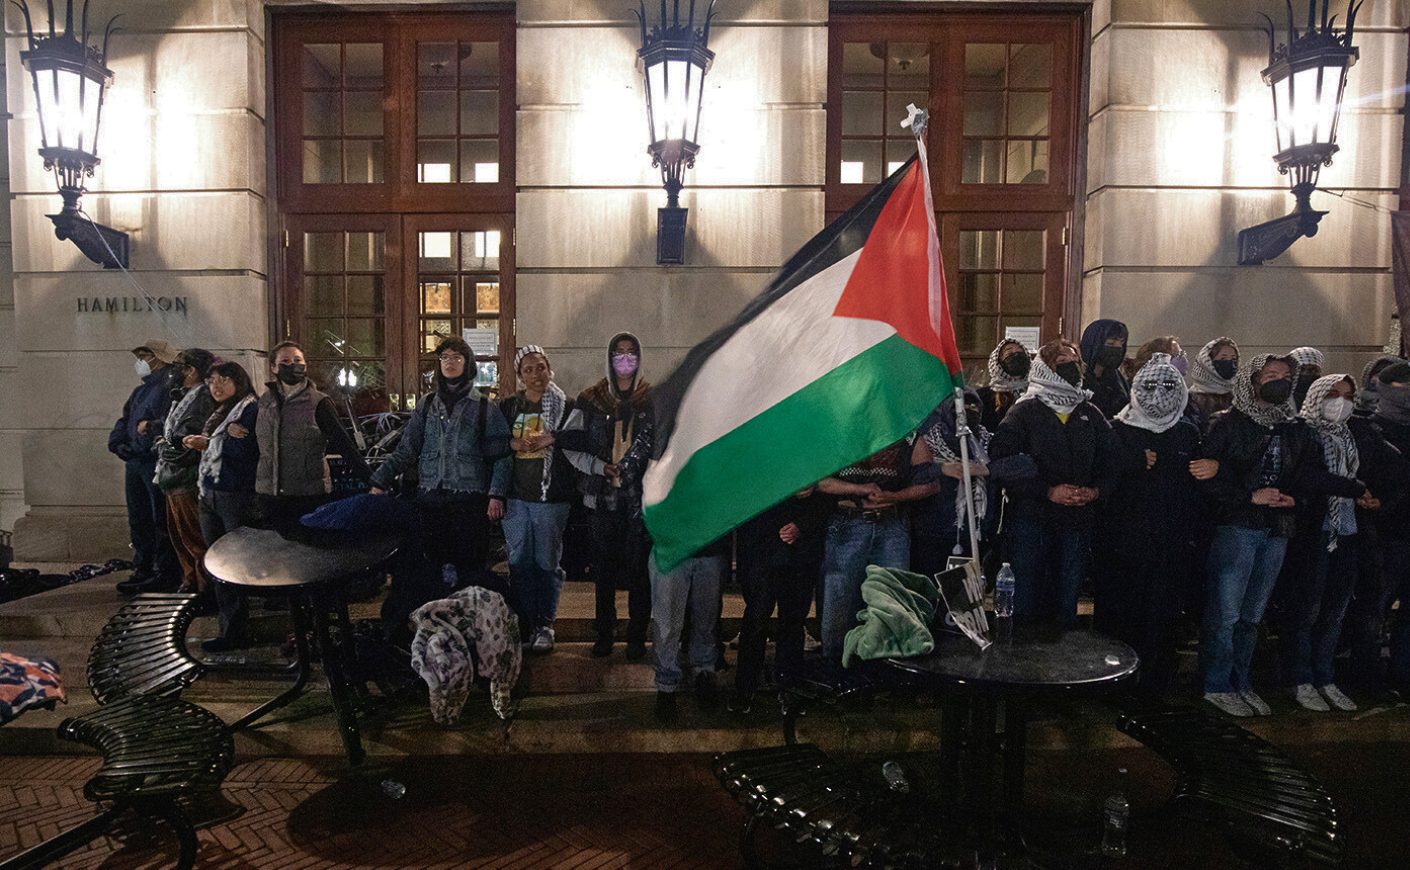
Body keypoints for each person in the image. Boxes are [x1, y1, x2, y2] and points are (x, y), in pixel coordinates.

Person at [1198, 355, 1366, 717]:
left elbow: (1307, 475)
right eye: (1271, 375)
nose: (1280, 381)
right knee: (1225, 614)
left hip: (1278, 528)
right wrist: (1249, 496)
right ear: (1253, 379)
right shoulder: (1227, 424)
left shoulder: (1294, 429)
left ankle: (1241, 682)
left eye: (1285, 376)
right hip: (1239, 526)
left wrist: (1296, 499)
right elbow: (1207, 476)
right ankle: (1216, 684)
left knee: (1252, 616)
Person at [1095, 354, 1215, 696]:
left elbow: (1195, 489)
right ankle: (1113, 687)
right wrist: (1127, 462)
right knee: (1119, 619)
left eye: (1168, 386)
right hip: (1122, 546)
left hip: (1171, 545)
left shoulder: (1188, 432)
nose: (1159, 393)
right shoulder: (1116, 429)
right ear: (1135, 388)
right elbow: (1101, 478)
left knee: (1162, 619)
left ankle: (1153, 687)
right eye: (1149, 385)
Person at [1279, 374, 1392, 711]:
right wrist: (1355, 489)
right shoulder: (1301, 431)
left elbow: (1387, 468)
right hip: (1314, 533)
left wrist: (1375, 497)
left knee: (1334, 613)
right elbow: (1309, 477)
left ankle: (1324, 677)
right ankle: (1299, 679)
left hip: (1348, 532)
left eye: (1347, 395)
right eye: (1332, 394)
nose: (1340, 401)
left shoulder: (1353, 433)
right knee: (1306, 612)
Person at [989, 340, 1119, 627]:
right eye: (1062, 360)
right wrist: (1047, 491)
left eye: (1075, 360)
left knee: (1066, 604)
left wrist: (1096, 491)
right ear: (1046, 367)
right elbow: (1002, 462)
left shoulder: (1089, 411)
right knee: (1025, 602)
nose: (1071, 365)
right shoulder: (1024, 411)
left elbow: (1112, 459)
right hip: (1030, 523)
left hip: (1075, 523)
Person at [369, 337, 512, 581]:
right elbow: (407, 449)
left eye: (457, 357)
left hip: (470, 501)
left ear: (468, 364)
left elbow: (502, 454)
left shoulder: (485, 406)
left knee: (471, 571)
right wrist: (380, 479)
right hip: (431, 500)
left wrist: (496, 494)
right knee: (432, 570)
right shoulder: (426, 404)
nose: (450, 362)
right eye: (444, 357)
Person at [559, 333, 655, 660]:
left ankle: (636, 637)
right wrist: (600, 467)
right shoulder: (590, 399)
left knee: (639, 572)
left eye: (631, 353)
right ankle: (604, 633)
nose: (625, 359)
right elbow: (570, 446)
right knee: (603, 571)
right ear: (609, 357)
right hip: (600, 500)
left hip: (638, 499)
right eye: (618, 353)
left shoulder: (651, 399)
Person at [489, 346, 580, 654]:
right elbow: (493, 447)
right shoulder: (509, 407)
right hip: (516, 499)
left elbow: (583, 437)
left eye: (540, 367)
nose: (535, 375)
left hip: (551, 499)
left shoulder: (566, 406)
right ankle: (524, 623)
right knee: (519, 564)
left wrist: (553, 437)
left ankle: (544, 625)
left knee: (546, 564)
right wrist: (512, 443)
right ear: (520, 376)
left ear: (548, 368)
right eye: (528, 370)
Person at [817, 436, 939, 659]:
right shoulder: (841, 429)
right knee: (839, 604)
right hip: (848, 522)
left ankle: (883, 673)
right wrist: (860, 489)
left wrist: (894, 496)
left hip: (891, 524)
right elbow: (818, 480)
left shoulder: (909, 435)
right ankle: (837, 673)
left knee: (890, 603)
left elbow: (930, 483)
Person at [730, 486, 827, 714]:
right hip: (762, 546)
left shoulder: (807, 453)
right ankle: (745, 688)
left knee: (792, 622)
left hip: (800, 551)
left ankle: (788, 687)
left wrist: (802, 525)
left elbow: (824, 497)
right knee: (756, 619)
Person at [255, 341, 371, 531]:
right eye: (285, 361)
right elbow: (256, 440)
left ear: (305, 366)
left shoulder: (319, 402)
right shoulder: (265, 401)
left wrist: (372, 481)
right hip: (269, 496)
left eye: (297, 360)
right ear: (274, 368)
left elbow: (344, 445)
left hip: (308, 496)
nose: (292, 365)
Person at [184, 362, 260, 652]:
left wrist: (215, 441)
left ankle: (237, 630)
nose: (215, 385)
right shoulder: (220, 413)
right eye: (211, 380)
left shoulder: (249, 410)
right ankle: (229, 627)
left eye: (223, 380)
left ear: (238, 382)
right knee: (217, 563)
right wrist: (216, 437)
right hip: (210, 493)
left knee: (235, 564)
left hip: (235, 495)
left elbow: (247, 449)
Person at [112, 340, 180, 595]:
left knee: (159, 519)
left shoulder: (169, 388)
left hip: (153, 460)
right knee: (139, 518)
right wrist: (118, 443)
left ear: (159, 359)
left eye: (144, 356)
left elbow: (169, 422)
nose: (139, 361)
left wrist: (147, 436)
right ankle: (144, 567)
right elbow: (125, 419)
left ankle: (162, 570)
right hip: (135, 461)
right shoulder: (140, 391)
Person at [153, 348, 217, 601]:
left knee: (194, 538)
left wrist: (173, 449)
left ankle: (205, 589)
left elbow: (193, 438)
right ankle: (190, 581)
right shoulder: (182, 395)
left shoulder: (202, 397)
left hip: (187, 477)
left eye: (178, 365)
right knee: (180, 537)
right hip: (173, 476)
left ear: (191, 370)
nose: (172, 370)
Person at [911, 390, 992, 578]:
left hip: (974, 536)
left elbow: (1019, 467)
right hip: (933, 535)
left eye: (973, 407)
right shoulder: (929, 441)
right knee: (932, 597)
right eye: (960, 407)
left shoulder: (987, 442)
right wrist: (941, 469)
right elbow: (914, 479)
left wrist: (984, 469)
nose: (967, 411)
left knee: (964, 604)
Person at [1186, 337, 1239, 433]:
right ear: (1208, 361)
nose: (1230, 362)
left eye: (1233, 358)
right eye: (1223, 358)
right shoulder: (1189, 398)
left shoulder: (1240, 396)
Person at [1079, 319, 1130, 419]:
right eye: (1111, 343)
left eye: (1121, 343)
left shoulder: (1115, 375)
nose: (1118, 347)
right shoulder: (1077, 376)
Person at [977, 338, 1029, 433]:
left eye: (1020, 351)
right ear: (998, 361)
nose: (1016, 353)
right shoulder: (983, 396)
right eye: (1009, 352)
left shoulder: (1035, 392)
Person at [1289, 346, 1325, 411]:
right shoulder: (1282, 395)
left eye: (1312, 370)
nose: (1306, 373)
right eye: (1301, 369)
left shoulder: (1327, 393)